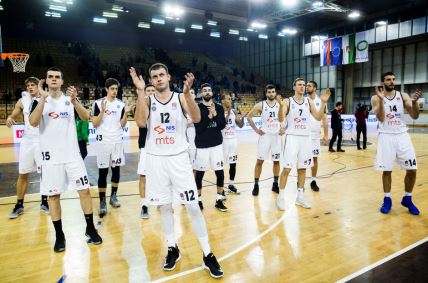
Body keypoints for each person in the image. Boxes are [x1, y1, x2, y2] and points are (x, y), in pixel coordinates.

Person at [130, 63, 223, 278]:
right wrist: (140, 91)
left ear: (169, 77)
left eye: (161, 74)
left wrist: (189, 94)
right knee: (164, 207)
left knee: (192, 206)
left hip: (179, 160)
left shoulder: (181, 97)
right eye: (154, 76)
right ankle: (172, 247)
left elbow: (198, 119)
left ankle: (207, 253)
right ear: (151, 81)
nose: (158, 78)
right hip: (157, 160)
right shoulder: (148, 99)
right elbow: (141, 122)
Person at [29, 67, 102, 252]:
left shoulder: (69, 101)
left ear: (62, 81)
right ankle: (60, 235)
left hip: (72, 156)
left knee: (85, 191)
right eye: (50, 77)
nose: (54, 79)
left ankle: (90, 228)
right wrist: (43, 98)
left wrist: (76, 101)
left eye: (57, 77)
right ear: (46, 80)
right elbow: (33, 122)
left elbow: (87, 118)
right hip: (51, 158)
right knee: (53, 196)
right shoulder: (38, 101)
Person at [371, 71, 422, 215]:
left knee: (412, 169)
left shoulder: (403, 95)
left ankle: (408, 198)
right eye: (388, 80)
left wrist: (414, 103)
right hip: (386, 135)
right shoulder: (376, 98)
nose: (392, 82)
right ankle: (387, 199)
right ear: (383, 82)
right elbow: (381, 118)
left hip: (402, 135)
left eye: (393, 79)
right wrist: (381, 101)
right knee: (387, 170)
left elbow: (415, 115)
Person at [277, 78, 330, 211]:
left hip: (306, 138)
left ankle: (300, 197)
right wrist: (280, 107)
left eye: (304, 85)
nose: (302, 87)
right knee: (287, 169)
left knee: (302, 169)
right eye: (300, 85)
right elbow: (280, 118)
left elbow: (318, 117)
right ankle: (281, 197)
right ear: (294, 87)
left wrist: (323, 102)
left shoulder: (309, 101)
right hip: (292, 138)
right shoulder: (288, 101)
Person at [6, 77, 49, 218]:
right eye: (28, 85)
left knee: (45, 173)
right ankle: (19, 205)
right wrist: (10, 117)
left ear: (39, 86)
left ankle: (45, 202)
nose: (31, 87)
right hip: (28, 141)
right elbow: (14, 113)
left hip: (43, 140)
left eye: (33, 85)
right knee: (23, 173)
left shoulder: (46, 99)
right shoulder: (22, 100)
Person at [92, 78, 131, 217]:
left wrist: (126, 113)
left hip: (117, 141)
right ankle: (102, 201)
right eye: (112, 89)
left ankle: (113, 196)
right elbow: (95, 124)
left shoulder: (120, 105)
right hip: (103, 142)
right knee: (103, 172)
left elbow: (122, 125)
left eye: (116, 89)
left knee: (116, 170)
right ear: (106, 89)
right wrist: (102, 111)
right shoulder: (97, 103)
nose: (115, 91)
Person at [193, 83, 228, 212]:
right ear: (201, 94)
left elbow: (222, 126)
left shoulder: (219, 107)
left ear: (212, 93)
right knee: (200, 174)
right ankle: (198, 200)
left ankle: (219, 200)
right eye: (204, 91)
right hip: (202, 146)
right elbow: (199, 129)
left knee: (220, 173)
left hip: (217, 145)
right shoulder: (197, 108)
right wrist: (209, 117)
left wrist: (216, 115)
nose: (207, 92)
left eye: (209, 90)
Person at [247, 84, 284, 196]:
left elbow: (286, 118)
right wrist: (256, 130)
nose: (271, 94)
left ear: (275, 93)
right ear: (266, 93)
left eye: (273, 92)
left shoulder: (280, 105)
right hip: (265, 137)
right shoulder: (261, 105)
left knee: (276, 161)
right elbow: (249, 117)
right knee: (259, 161)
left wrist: (283, 128)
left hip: (276, 136)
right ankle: (256, 185)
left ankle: (275, 184)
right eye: (269, 92)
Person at [137, 84, 155, 219]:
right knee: (143, 177)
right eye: (147, 90)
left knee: (163, 176)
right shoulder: (140, 106)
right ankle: (144, 205)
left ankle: (162, 202)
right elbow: (140, 122)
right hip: (146, 146)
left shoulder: (163, 106)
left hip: (161, 146)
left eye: (152, 90)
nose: (150, 92)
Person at [306, 81, 328, 191]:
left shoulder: (321, 101)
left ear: (315, 88)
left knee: (314, 158)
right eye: (306, 85)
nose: (306, 87)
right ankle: (299, 182)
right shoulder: (303, 100)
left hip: (315, 135)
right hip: (304, 135)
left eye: (309, 86)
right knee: (303, 158)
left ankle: (313, 180)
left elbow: (324, 118)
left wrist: (326, 135)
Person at [221, 93, 245, 194]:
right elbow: (222, 124)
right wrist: (229, 111)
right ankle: (220, 189)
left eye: (231, 99)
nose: (230, 100)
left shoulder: (234, 112)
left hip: (233, 140)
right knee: (220, 166)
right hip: (223, 141)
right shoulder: (219, 111)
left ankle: (231, 184)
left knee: (233, 164)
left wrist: (242, 117)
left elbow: (240, 125)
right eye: (228, 99)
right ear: (223, 101)